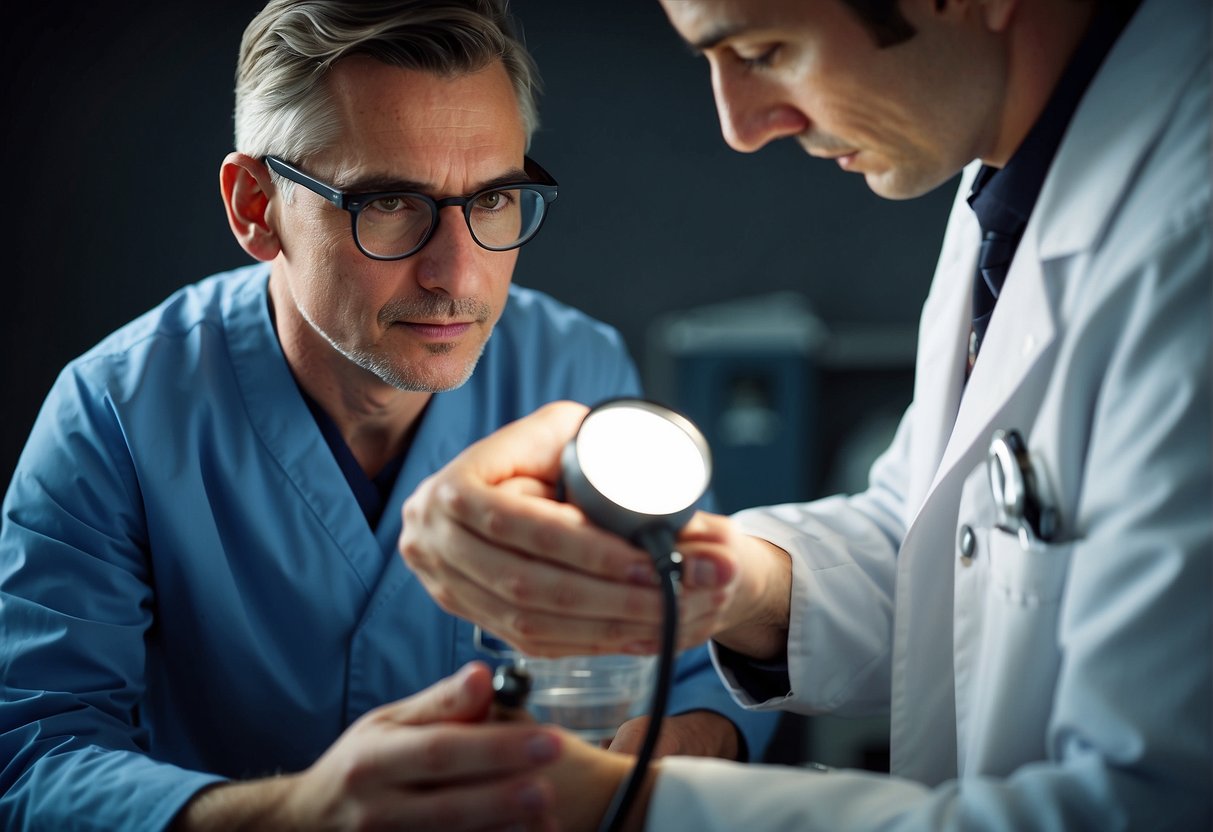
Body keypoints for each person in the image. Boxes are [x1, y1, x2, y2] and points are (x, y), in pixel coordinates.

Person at [399, 0, 1212, 828]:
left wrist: (651, 809)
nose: (741, 126)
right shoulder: (1006, 173)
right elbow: (940, 547)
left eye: (764, 49)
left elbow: (1150, 804)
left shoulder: (1188, 240)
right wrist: (724, 581)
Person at [0, 2, 777, 829]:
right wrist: (298, 815)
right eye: (390, 204)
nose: (457, 275)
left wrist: (633, 774)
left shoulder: (574, 372)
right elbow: (34, 759)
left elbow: (704, 662)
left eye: (493, 199)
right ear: (255, 206)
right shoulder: (114, 412)